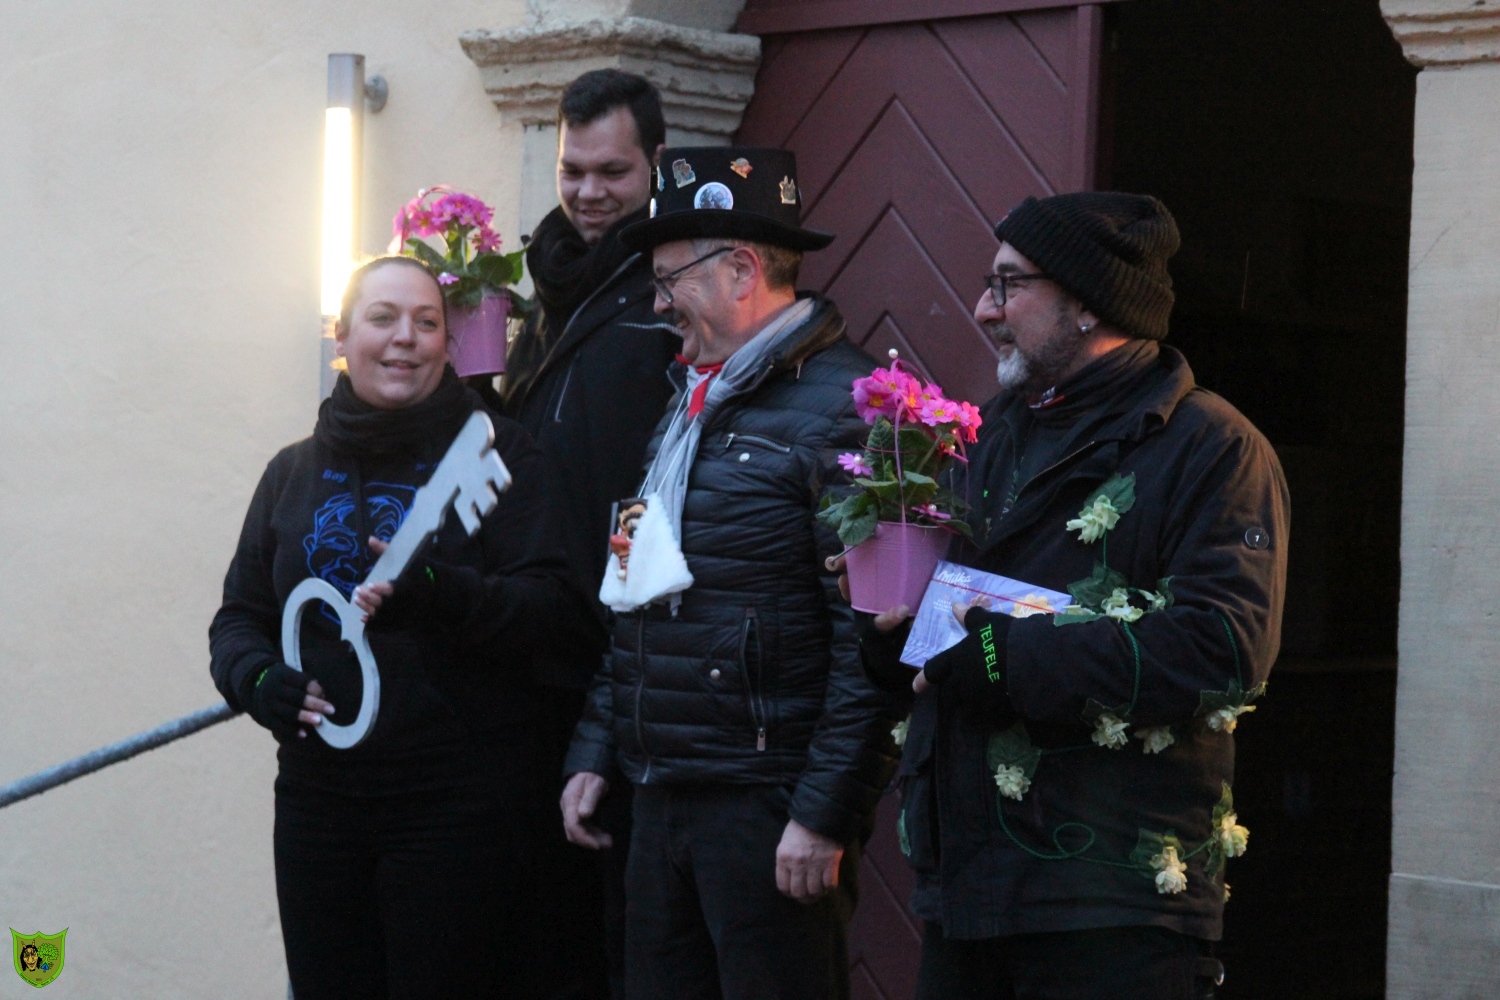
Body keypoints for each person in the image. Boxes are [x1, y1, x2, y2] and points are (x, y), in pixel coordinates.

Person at [851, 192, 1290, 999]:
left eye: (1009, 284)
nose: (984, 308)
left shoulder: (1212, 447)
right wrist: (896, 643)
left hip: (1109, 904)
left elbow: (1224, 651)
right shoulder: (984, 435)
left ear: (1089, 302)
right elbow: (957, 625)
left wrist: (999, 656)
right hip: (969, 892)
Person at [560, 147, 901, 1000]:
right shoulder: (685, 408)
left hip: (766, 807)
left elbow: (875, 646)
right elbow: (632, 589)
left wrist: (823, 812)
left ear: (742, 270)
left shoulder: (854, 411)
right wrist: (598, 744)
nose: (656, 302)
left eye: (668, 280)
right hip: (661, 792)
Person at [209, 255, 587, 999]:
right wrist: (257, 680)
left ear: (449, 342)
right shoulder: (291, 472)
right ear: (343, 337)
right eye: (382, 319)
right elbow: (239, 618)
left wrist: (440, 593)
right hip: (319, 805)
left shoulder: (503, 455)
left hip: (458, 803)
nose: (405, 339)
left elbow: (556, 609)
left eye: (426, 323)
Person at [500, 68, 680, 999]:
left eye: (613, 172)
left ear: (657, 163)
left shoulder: (672, 290)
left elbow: (658, 483)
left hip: (619, 649)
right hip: (533, 638)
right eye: (573, 170)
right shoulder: (549, 284)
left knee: (610, 935)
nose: (589, 192)